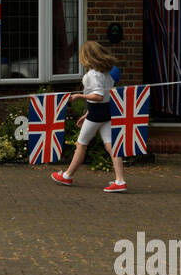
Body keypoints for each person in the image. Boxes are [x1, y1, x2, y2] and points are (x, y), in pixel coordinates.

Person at [52, 41, 128, 192]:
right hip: (105, 112)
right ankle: (120, 181)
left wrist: (79, 96)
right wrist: (86, 113)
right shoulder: (106, 74)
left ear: (86, 57)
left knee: (81, 145)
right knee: (111, 146)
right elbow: (106, 96)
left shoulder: (92, 75)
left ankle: (67, 176)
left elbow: (98, 96)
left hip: (96, 114)